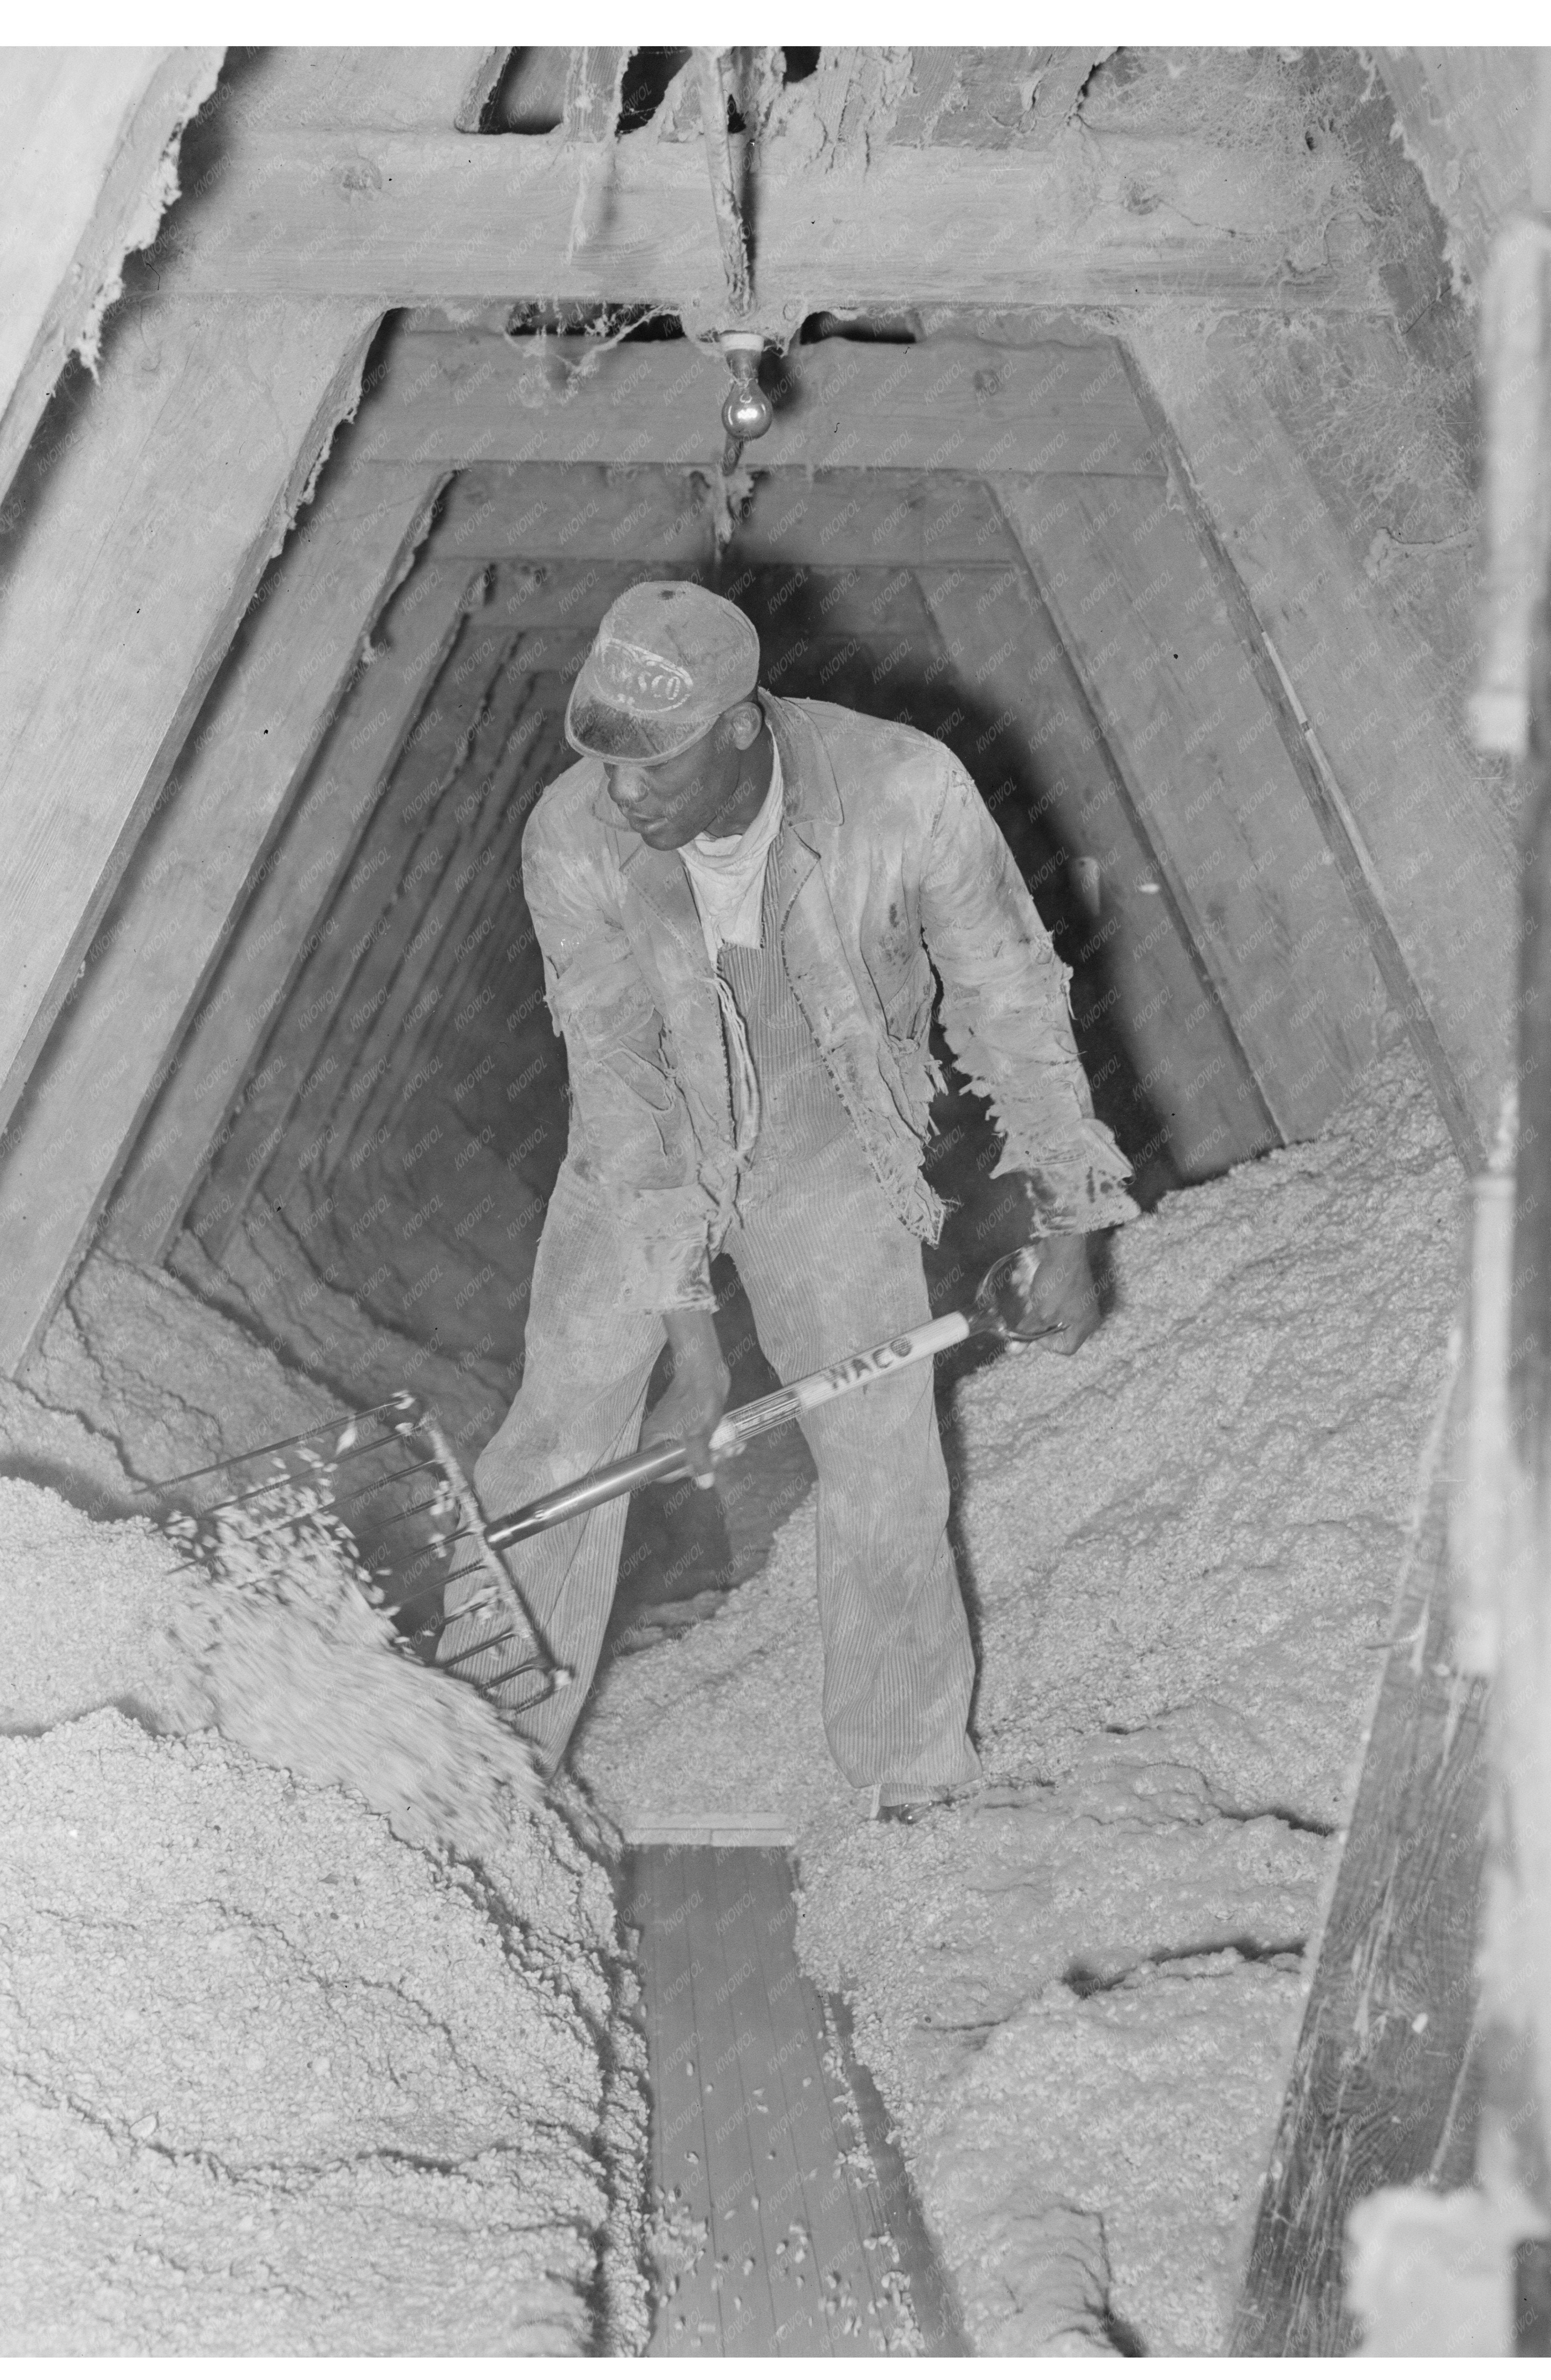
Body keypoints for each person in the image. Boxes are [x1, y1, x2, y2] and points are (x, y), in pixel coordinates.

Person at [466, 581, 1139, 1820]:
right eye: (602, 764)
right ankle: (487, 1768)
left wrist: (1071, 1218)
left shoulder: (902, 789)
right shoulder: (574, 833)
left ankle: (910, 1775)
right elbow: (616, 1083)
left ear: (739, 728)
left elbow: (1010, 1000)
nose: (622, 796)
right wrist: (692, 1349)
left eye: (649, 768)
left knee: (884, 1459)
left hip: (832, 1145)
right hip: (651, 1140)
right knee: (560, 1431)